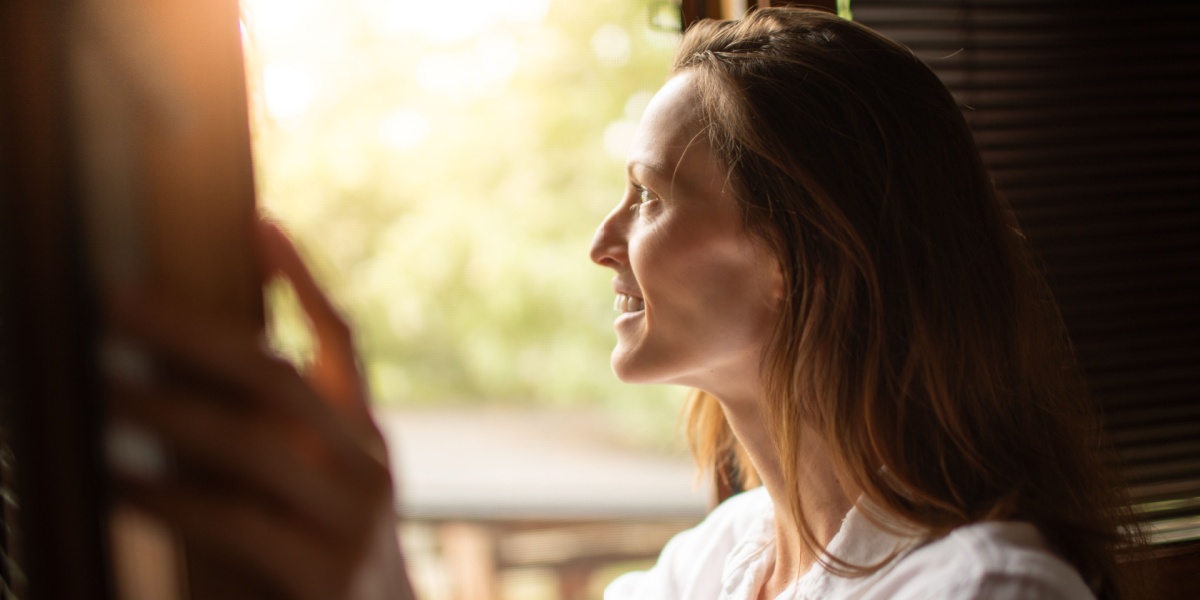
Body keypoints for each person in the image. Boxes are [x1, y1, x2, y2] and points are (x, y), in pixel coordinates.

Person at [107, 7, 1145, 600]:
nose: (602, 242)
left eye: (649, 197)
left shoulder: (987, 594)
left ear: (808, 255)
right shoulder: (721, 561)